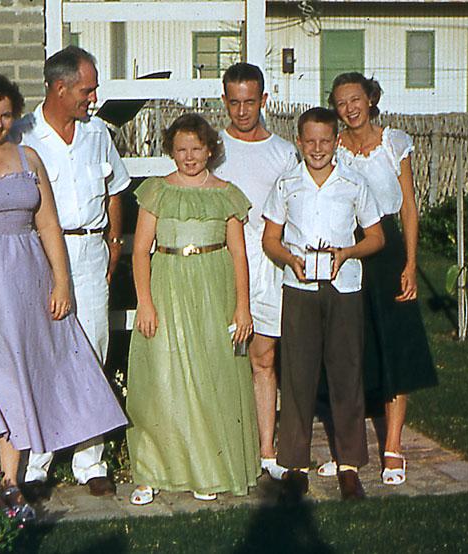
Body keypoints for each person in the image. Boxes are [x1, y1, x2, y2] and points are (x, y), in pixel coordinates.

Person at [0, 71, 128, 518]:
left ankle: (9, 483)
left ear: (15, 116)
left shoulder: (30, 158)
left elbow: (47, 225)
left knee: (18, 376)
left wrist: (61, 281)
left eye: (4, 115)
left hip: (25, 278)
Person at [13, 46, 131, 498]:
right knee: (43, 354)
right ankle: (38, 463)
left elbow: (115, 188)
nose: (94, 97)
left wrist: (115, 244)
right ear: (59, 88)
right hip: (43, 253)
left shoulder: (96, 132)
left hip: (92, 251)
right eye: (87, 89)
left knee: (94, 351)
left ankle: (89, 459)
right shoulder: (24, 136)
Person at [126, 113, 259, 505]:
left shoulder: (225, 193)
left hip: (213, 288)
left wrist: (243, 307)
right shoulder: (156, 191)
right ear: (171, 150)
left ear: (210, 150)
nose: (189, 157)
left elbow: (239, 253)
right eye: (181, 149)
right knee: (161, 378)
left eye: (196, 149)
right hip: (167, 286)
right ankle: (153, 472)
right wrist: (144, 303)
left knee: (209, 377)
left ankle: (208, 470)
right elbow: (139, 251)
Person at [317, 72, 438, 486]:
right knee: (346, 349)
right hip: (347, 252)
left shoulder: (393, 143)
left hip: (387, 254)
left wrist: (409, 264)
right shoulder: (333, 149)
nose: (349, 109)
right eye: (340, 103)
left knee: (394, 345)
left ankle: (393, 448)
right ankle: (347, 447)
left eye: (355, 100)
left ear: (370, 100)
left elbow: (408, 209)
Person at [262, 107, 384, 501]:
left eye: (324, 141)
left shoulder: (353, 182)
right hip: (298, 288)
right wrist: (290, 259)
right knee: (297, 375)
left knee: (346, 374)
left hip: (344, 287)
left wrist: (346, 253)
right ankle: (294, 465)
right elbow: (270, 239)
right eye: (309, 141)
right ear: (299, 142)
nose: (317, 148)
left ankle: (349, 466)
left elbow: (376, 237)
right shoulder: (286, 183)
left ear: (336, 142)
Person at [212, 63, 298, 481]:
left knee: (264, 359)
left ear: (264, 100)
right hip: (220, 265)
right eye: (234, 102)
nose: (242, 111)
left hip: (267, 269)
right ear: (224, 100)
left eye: (250, 102)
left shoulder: (284, 153)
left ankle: (266, 448)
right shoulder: (213, 151)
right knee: (221, 359)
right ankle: (225, 446)